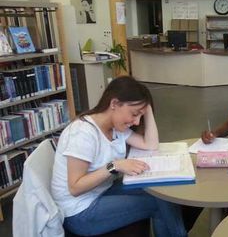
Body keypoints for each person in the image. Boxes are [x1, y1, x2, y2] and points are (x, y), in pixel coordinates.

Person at [51, 76, 187, 236]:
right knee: (156, 203)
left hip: (101, 192)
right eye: (134, 114)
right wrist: (115, 166)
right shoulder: (82, 133)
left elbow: (151, 145)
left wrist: (146, 109)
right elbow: (75, 187)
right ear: (114, 104)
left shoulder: (116, 128)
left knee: (161, 193)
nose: (136, 122)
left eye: (139, 116)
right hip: (79, 211)